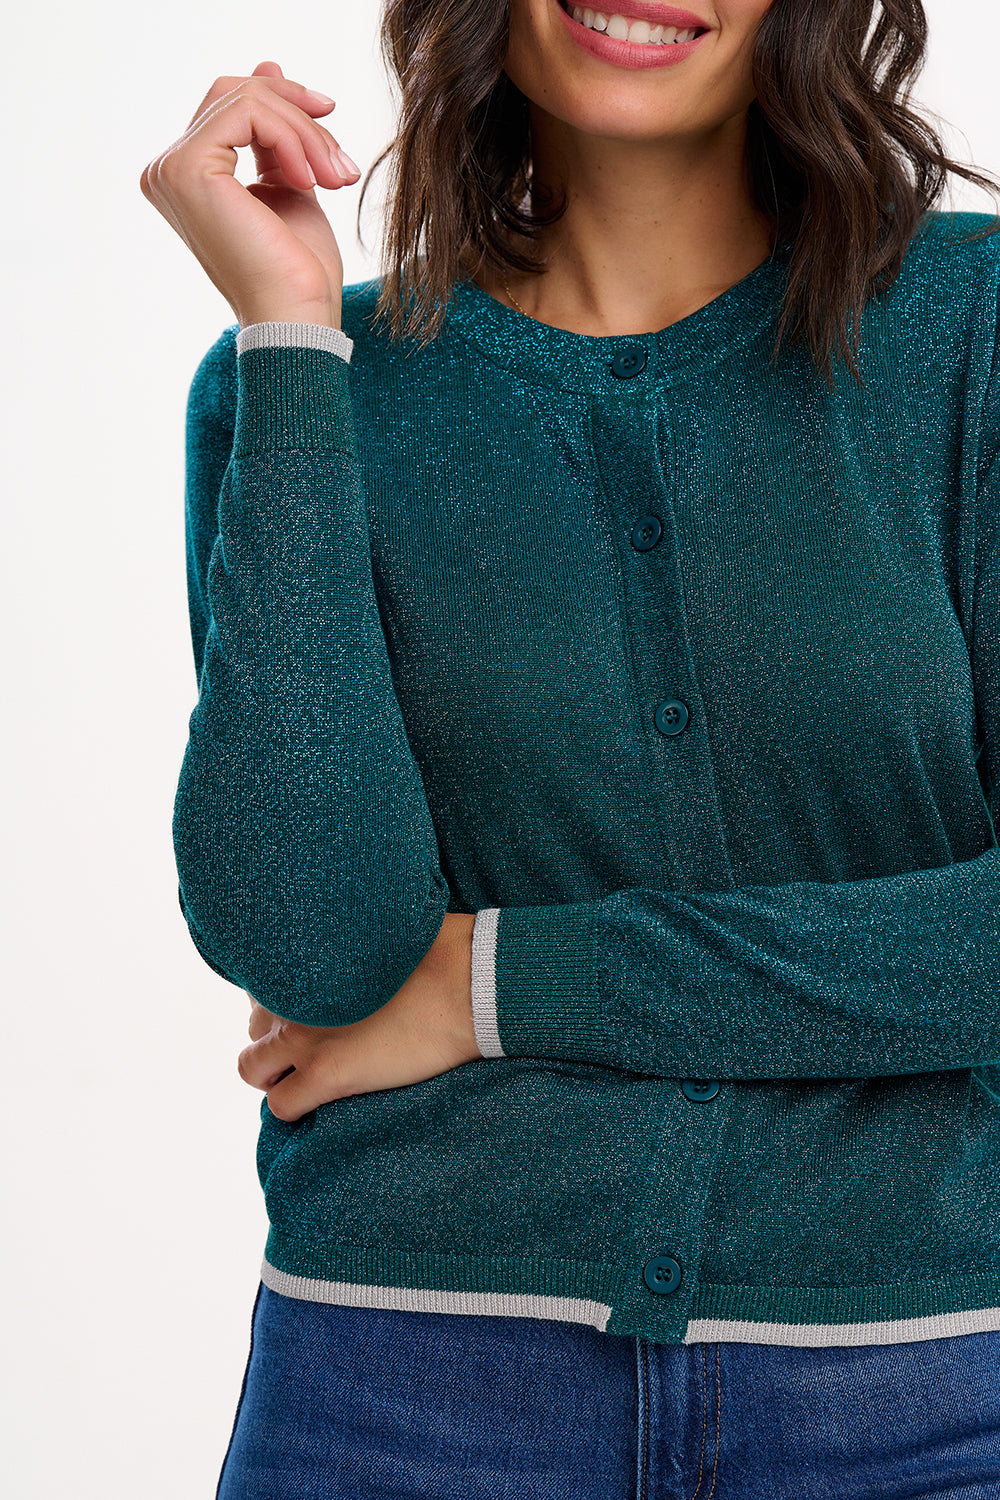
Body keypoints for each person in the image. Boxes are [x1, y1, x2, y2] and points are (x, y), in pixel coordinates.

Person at [141, 1, 1000, 1494]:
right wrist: (288, 335)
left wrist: (492, 987)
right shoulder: (310, 385)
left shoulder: (972, 336)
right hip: (401, 1383)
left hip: (927, 1383)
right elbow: (317, 950)